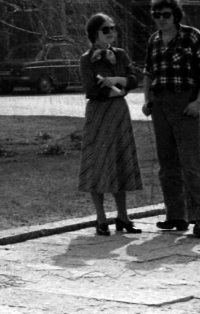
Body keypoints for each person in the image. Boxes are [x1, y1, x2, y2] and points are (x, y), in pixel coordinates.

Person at [141, 0, 200, 238]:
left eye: (165, 14)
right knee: (167, 165)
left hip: (185, 104)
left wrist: (199, 101)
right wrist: (147, 99)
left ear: (176, 15)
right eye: (156, 15)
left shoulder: (192, 36)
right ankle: (176, 216)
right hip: (161, 106)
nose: (161, 19)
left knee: (191, 164)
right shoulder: (153, 40)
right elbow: (149, 73)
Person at [78, 13, 143, 236]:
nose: (111, 33)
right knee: (98, 162)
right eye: (106, 30)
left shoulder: (120, 55)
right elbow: (91, 90)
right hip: (99, 112)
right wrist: (109, 87)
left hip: (118, 112)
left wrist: (117, 80)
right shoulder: (87, 59)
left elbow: (134, 79)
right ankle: (101, 217)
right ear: (94, 34)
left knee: (120, 160)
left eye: (113, 29)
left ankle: (123, 216)